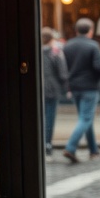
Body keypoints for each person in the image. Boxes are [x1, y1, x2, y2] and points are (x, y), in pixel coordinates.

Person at [62, 17, 100, 163]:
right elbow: (99, 68)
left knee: (85, 118)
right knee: (86, 118)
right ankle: (70, 147)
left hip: (74, 86)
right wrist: (96, 80)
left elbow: (64, 68)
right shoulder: (93, 45)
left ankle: (93, 150)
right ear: (91, 31)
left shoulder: (68, 45)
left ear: (76, 31)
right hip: (89, 87)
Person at [40, 27, 68, 156]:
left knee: (40, 117)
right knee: (49, 118)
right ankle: (47, 144)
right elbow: (62, 73)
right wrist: (66, 88)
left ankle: (41, 143)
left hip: (40, 89)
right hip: (52, 89)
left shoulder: (37, 51)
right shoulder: (55, 52)